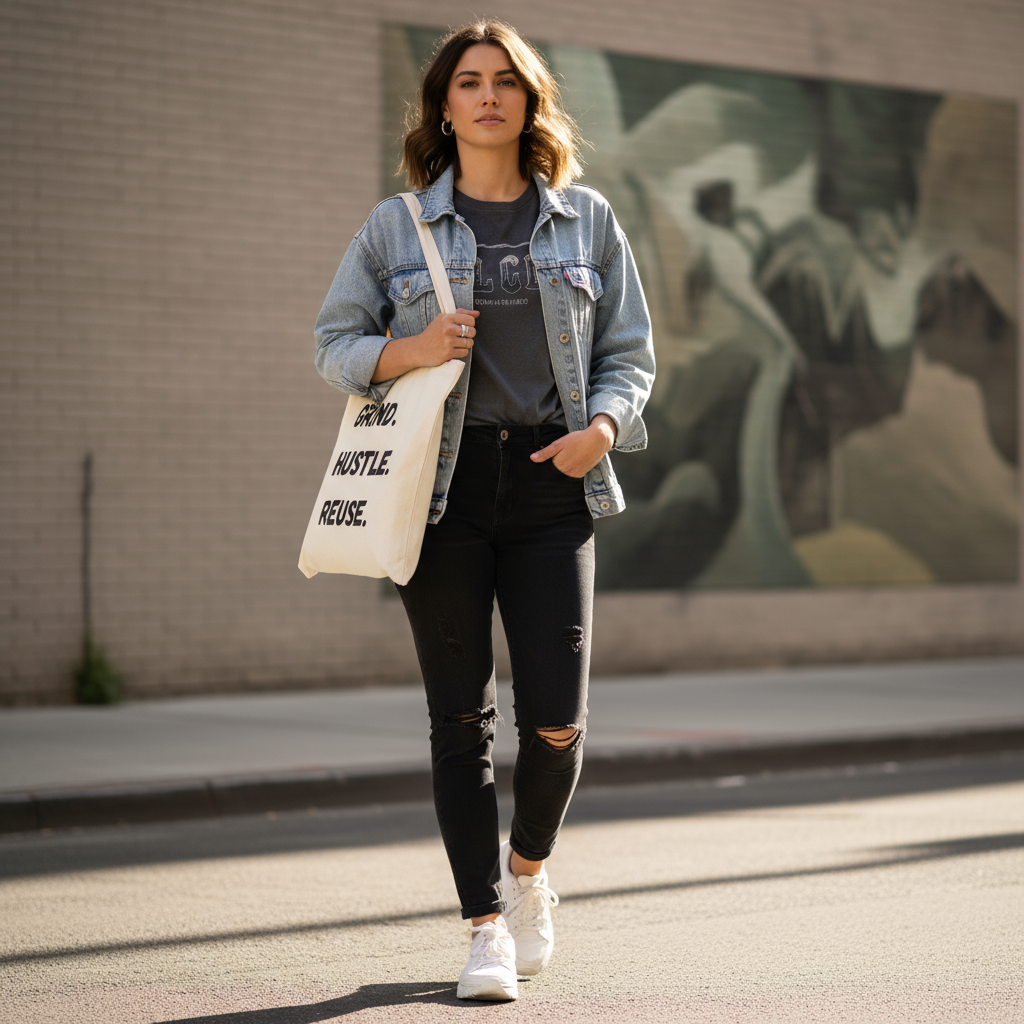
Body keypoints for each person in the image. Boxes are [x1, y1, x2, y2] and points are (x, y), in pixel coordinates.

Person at [314, 20, 654, 1002]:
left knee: (556, 721)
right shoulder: (395, 228)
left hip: (552, 481)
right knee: (459, 720)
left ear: (529, 100)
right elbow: (333, 342)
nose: (488, 95)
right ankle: (483, 932)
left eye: (506, 80)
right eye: (469, 81)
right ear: (444, 105)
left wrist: (602, 423)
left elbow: (629, 350)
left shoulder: (585, 221)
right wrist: (410, 349)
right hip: (442, 492)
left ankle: (530, 871)